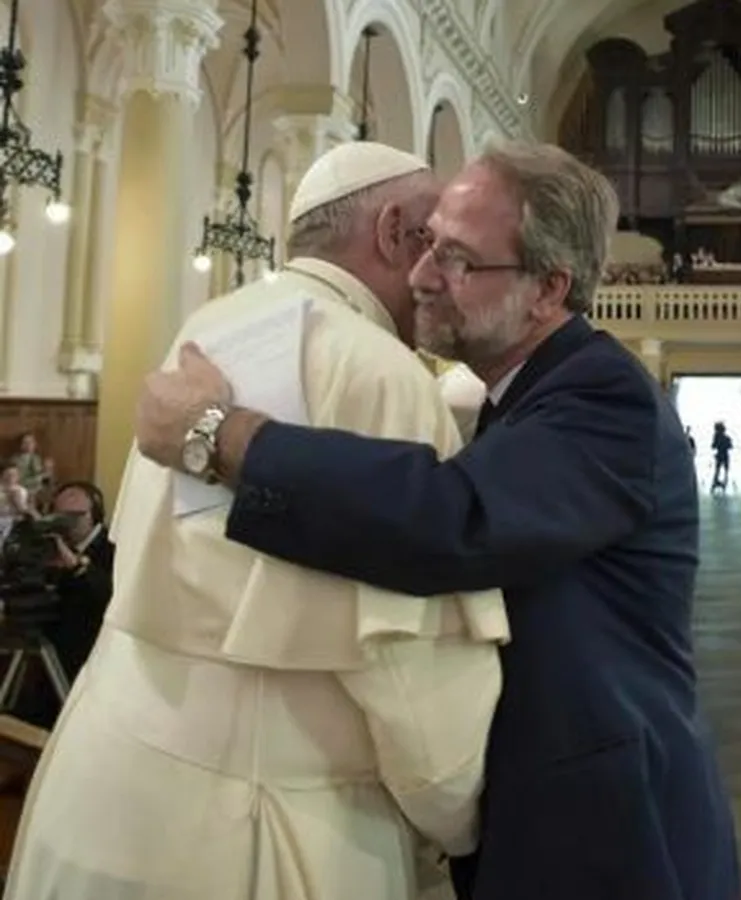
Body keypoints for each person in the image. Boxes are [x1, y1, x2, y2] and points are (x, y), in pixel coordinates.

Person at [131, 141, 739, 900]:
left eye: (457, 259)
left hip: (611, 826)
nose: (420, 276)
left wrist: (222, 436)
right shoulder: (524, 393)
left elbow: (453, 519)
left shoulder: (603, 397)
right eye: (428, 246)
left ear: (547, 289)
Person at [5, 143, 509, 900]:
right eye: (433, 241)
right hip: (268, 824)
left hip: (103, 783)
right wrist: (462, 818)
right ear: (390, 231)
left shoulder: (203, 328)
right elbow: (406, 665)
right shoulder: (382, 371)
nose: (441, 273)